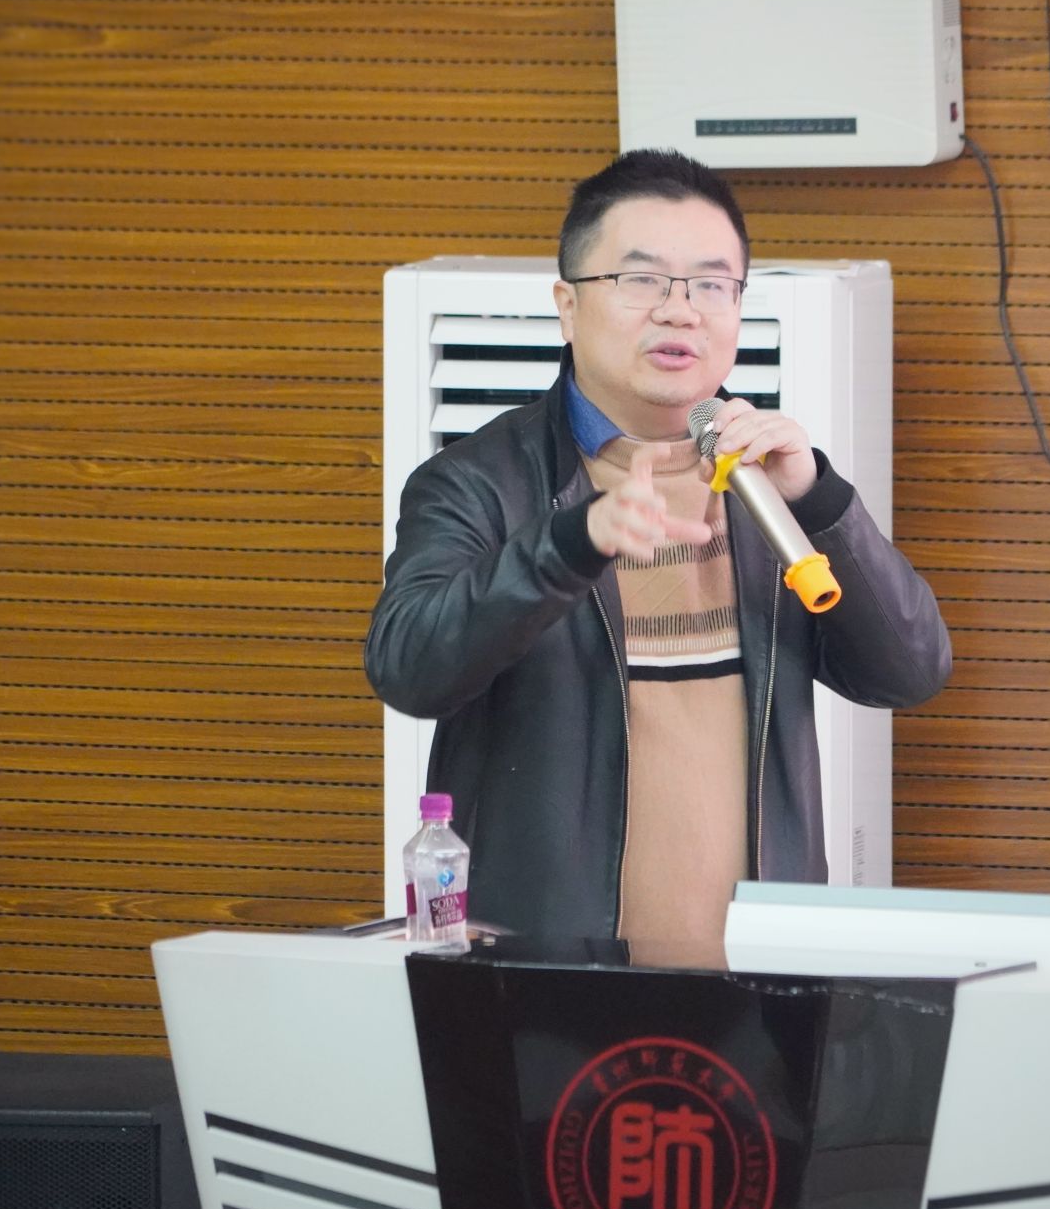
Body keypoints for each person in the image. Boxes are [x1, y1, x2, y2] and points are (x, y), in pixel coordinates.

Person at [365, 148, 951, 945]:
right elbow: (408, 665)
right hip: (550, 984)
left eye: (712, 285)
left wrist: (819, 499)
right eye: (642, 279)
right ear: (568, 305)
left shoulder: (767, 486)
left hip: (758, 980)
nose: (681, 312)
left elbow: (911, 669)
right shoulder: (478, 483)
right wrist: (571, 544)